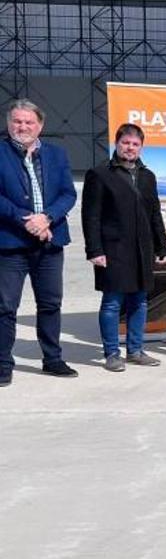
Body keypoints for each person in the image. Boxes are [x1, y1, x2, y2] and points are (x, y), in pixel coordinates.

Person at [0, 99, 78, 385]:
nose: (22, 126)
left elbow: (68, 194)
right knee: (6, 307)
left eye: (28, 122)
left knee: (50, 304)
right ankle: (3, 364)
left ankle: (52, 359)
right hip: (10, 244)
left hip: (50, 241)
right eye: (17, 121)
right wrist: (28, 221)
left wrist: (46, 218)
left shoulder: (56, 154)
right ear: (9, 123)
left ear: (40, 126)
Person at [81, 123, 166, 372]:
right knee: (112, 302)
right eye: (125, 143)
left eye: (135, 144)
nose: (130, 148)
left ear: (141, 147)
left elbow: (155, 214)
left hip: (142, 249)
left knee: (139, 301)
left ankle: (136, 350)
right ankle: (111, 353)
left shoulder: (147, 176)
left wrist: (161, 246)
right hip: (112, 250)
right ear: (117, 144)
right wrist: (94, 250)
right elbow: (92, 216)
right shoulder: (100, 174)